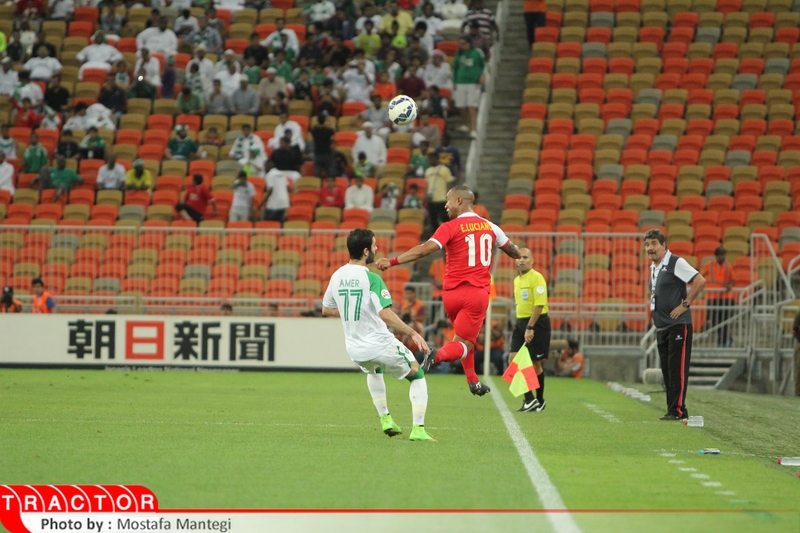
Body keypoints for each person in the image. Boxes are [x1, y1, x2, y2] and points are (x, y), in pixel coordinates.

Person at [377, 186, 522, 396]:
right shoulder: (490, 227)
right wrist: (520, 255)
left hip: (451, 296)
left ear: (460, 201)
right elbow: (512, 250)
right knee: (463, 343)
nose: (445, 205)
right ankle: (436, 356)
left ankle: (473, 381)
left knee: (463, 338)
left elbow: (425, 249)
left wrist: (392, 261)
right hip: (476, 294)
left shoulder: (450, 227)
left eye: (448, 201)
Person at [321, 228, 434, 441]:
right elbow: (385, 314)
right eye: (374, 245)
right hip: (379, 343)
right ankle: (418, 429)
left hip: (355, 348)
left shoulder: (337, 275)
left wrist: (350, 310)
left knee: (373, 372)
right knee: (417, 374)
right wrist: (413, 333)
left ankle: (386, 419)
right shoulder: (371, 278)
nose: (376, 248)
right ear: (366, 251)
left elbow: (326, 309)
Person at [645, 228, 706, 421]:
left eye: (654, 244)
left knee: (677, 370)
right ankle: (674, 409)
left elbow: (699, 281)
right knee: (667, 371)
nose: (650, 248)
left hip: (678, 325)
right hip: (662, 326)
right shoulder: (653, 267)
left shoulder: (675, 262)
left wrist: (685, 305)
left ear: (664, 246)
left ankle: (677, 410)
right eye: (647, 245)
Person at [509, 247, 550, 412]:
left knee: (535, 364)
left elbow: (539, 305)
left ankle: (539, 400)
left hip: (537, 323)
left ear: (532, 261)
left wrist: (530, 327)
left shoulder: (537, 278)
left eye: (525, 257)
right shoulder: (516, 280)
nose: (522, 260)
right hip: (521, 323)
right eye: (519, 257)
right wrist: (520, 324)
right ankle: (529, 399)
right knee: (513, 359)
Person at [700, 246, 736, 347]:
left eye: (724, 254)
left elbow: (733, 279)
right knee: (715, 321)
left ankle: (722, 342)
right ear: (716, 256)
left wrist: (730, 285)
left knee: (723, 321)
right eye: (721, 255)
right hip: (712, 297)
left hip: (725, 298)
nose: (723, 256)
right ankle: (725, 339)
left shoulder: (729, 266)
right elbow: (700, 275)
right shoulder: (709, 265)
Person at [453, 36, 485, 138]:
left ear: (469, 43)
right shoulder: (458, 54)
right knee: (461, 106)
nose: (462, 45)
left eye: (464, 43)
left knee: (472, 106)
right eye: (460, 43)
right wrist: (454, 81)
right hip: (461, 82)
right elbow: (455, 68)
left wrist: (482, 75)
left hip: (473, 83)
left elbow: (483, 64)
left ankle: (473, 129)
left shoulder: (477, 52)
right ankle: (467, 124)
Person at [425, 151, 453, 230]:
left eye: (431, 158)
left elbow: (449, 184)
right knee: (433, 221)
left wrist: (449, 197)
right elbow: (427, 185)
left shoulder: (445, 170)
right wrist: (425, 196)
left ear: (436, 158)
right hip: (432, 200)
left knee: (445, 220)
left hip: (442, 199)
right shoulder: (428, 171)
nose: (429, 160)